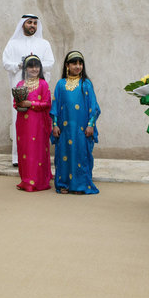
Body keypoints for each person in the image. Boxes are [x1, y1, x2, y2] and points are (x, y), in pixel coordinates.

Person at [3, 15, 54, 167]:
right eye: (29, 22)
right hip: (20, 88)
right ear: (22, 24)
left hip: (39, 87)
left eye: (35, 23)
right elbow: (6, 63)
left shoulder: (44, 44)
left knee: (38, 121)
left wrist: (34, 64)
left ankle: (38, 155)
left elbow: (50, 63)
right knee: (20, 120)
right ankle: (17, 157)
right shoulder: (12, 44)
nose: (32, 25)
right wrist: (20, 65)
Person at [51, 51, 100, 194]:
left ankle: (80, 185)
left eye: (80, 63)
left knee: (80, 155)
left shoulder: (86, 84)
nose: (78, 66)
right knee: (63, 155)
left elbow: (94, 107)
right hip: (65, 130)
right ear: (67, 65)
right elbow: (55, 107)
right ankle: (64, 184)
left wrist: (91, 124)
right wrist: (55, 125)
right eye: (74, 63)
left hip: (81, 129)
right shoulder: (60, 84)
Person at [13, 55, 52, 192]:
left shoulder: (43, 84)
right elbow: (15, 103)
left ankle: (38, 181)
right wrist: (19, 105)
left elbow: (47, 103)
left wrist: (31, 103)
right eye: (31, 66)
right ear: (25, 68)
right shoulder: (20, 85)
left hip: (38, 124)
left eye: (37, 66)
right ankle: (26, 180)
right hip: (23, 124)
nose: (34, 69)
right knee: (25, 150)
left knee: (37, 151)